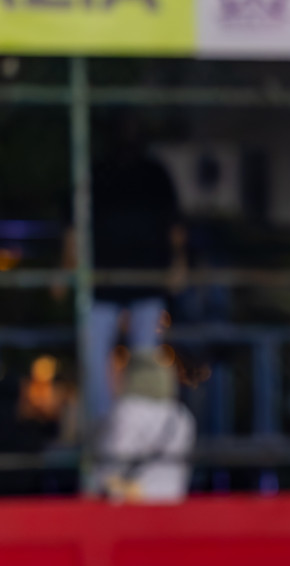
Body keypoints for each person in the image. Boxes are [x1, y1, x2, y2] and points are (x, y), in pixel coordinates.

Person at [62, 124, 187, 424]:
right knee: (94, 364)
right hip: (102, 285)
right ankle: (103, 430)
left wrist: (179, 264)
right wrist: (66, 269)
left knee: (145, 364)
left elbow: (175, 227)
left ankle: (140, 428)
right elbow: (73, 228)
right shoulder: (97, 172)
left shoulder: (155, 173)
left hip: (147, 284)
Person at [93, 349, 196, 503]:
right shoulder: (183, 416)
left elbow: (111, 464)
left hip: (132, 505)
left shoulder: (127, 410)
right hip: (171, 504)